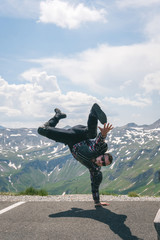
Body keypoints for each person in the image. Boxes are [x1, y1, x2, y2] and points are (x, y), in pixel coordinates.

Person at [38, 103, 113, 207]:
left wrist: (97, 202)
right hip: (79, 133)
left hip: (70, 140)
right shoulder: (98, 149)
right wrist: (104, 134)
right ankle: (94, 112)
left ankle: (57, 116)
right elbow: (99, 142)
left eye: (104, 164)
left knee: (41, 130)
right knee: (93, 134)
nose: (101, 162)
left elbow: (95, 186)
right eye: (103, 159)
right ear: (102, 155)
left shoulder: (95, 169)